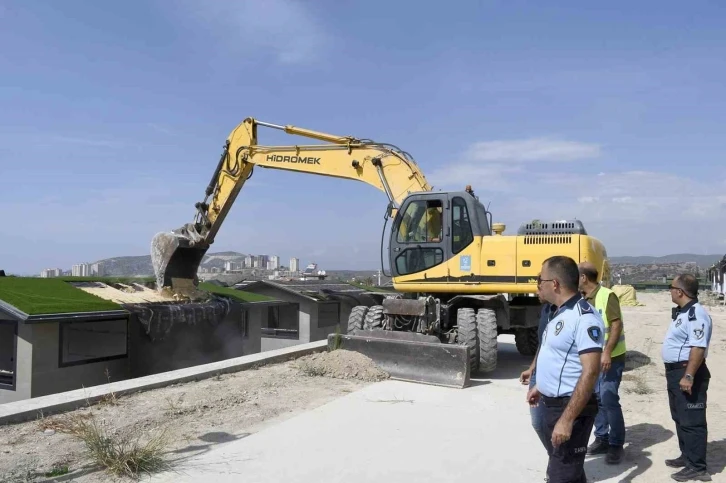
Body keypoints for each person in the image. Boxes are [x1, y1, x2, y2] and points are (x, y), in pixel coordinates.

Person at [527, 255, 605, 483]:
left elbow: (590, 371)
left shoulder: (584, 318)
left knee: (561, 474)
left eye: (540, 279)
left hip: (571, 407)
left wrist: (567, 419)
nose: (538, 284)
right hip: (553, 403)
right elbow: (558, 358)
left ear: (555, 284)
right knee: (569, 471)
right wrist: (540, 385)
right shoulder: (559, 313)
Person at [662, 274, 713, 482]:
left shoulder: (696, 314)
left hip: (687, 372)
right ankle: (687, 456)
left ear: (680, 291)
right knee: (680, 417)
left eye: (671, 287)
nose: (670, 291)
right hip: (676, 372)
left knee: (692, 420)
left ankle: (698, 467)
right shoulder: (683, 313)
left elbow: (698, 347)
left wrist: (689, 375)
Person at [578, 261, 626, 464]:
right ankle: (602, 438)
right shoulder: (582, 299)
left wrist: (606, 352)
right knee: (595, 399)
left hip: (611, 358)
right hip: (593, 360)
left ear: (583, 278)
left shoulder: (607, 295)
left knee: (608, 399)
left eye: (575, 275)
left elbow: (616, 325)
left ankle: (616, 444)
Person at [520, 285, 556, 456]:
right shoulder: (546, 309)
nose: (536, 292)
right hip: (539, 373)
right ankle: (555, 457)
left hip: (556, 377)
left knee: (556, 425)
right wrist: (532, 367)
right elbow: (543, 343)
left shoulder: (566, 313)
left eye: (540, 288)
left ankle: (561, 464)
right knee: (538, 422)